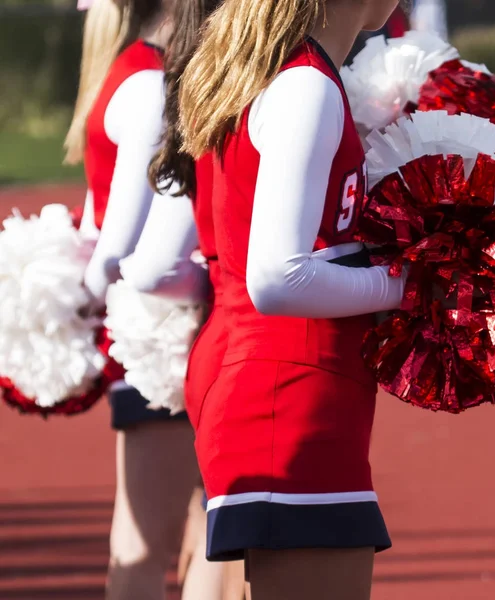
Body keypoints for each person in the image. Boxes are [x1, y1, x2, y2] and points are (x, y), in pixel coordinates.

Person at [178, 1, 406, 598]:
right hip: (288, 391)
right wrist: (410, 284)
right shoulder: (305, 85)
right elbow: (278, 277)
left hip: (280, 377)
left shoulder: (285, 73)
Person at [64, 1, 220, 598]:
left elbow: (95, 229)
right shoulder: (153, 82)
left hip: (149, 332)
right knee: (148, 544)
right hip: (165, 336)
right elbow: (122, 249)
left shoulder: (120, 70)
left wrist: (77, 301)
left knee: (199, 532)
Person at [123, 0, 249, 597]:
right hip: (244, 349)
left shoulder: (200, 94)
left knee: (217, 545)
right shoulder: (249, 99)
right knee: (223, 560)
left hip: (223, 345)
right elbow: (148, 264)